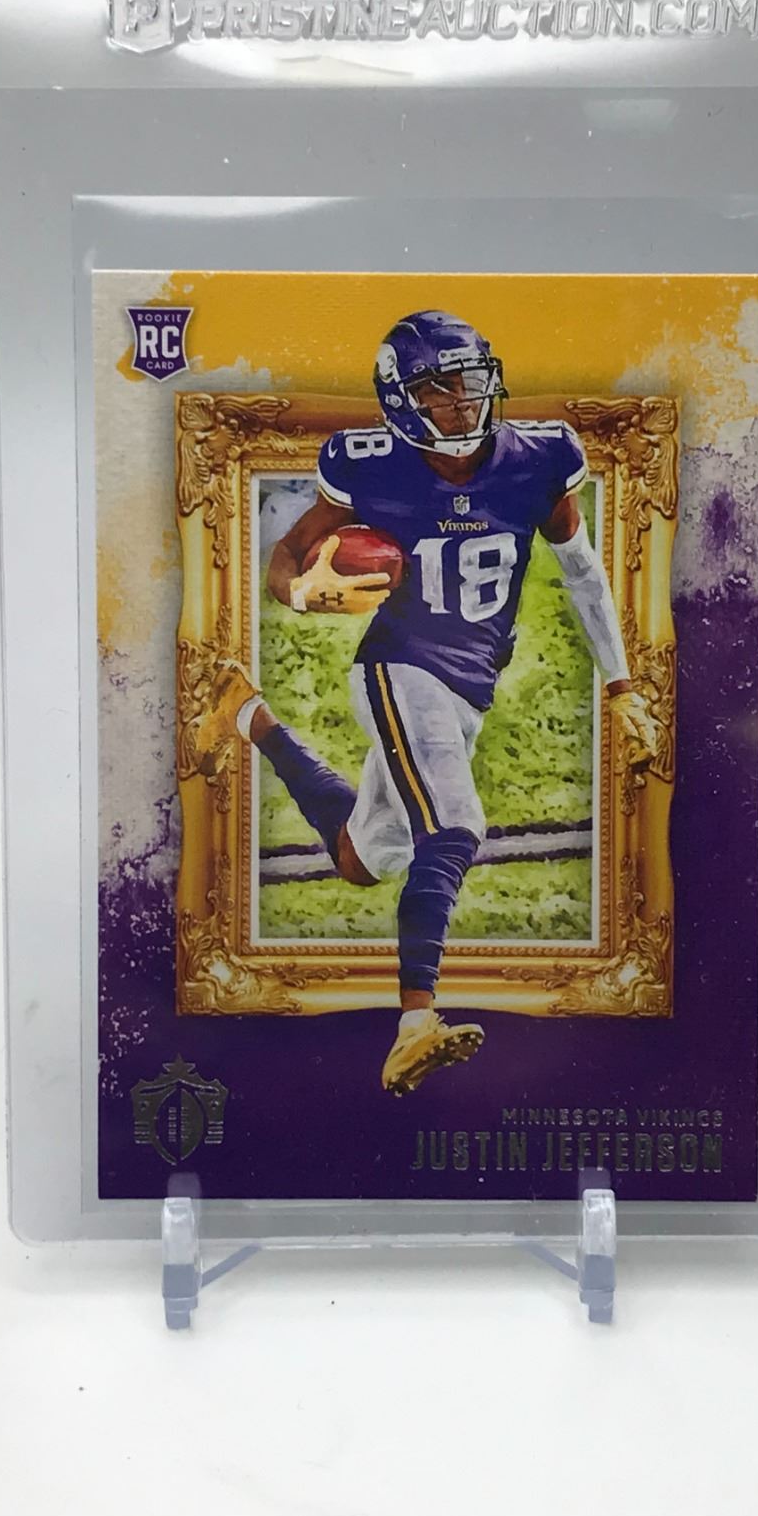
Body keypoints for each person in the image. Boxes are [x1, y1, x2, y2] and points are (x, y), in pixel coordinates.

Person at [197, 310, 660, 1094]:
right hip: (401, 667)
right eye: (439, 388)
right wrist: (302, 592)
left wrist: (621, 686)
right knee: (453, 827)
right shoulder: (371, 466)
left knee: (363, 861)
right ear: (401, 400)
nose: (461, 400)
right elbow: (288, 555)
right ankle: (414, 1024)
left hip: (470, 683)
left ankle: (245, 713)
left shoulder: (539, 458)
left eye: (471, 381)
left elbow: (582, 571)